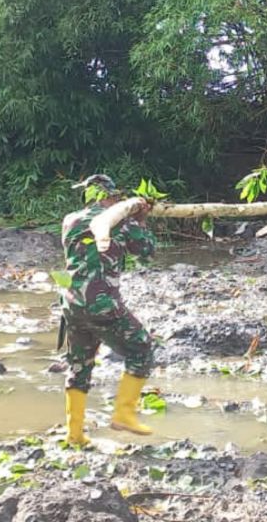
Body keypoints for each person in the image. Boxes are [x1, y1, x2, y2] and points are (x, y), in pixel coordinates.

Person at [60, 174, 158, 447]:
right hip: (102, 305)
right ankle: (124, 413)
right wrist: (140, 220)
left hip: (71, 305)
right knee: (142, 349)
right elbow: (147, 253)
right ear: (112, 197)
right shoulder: (124, 224)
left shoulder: (69, 220)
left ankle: (75, 435)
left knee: (79, 365)